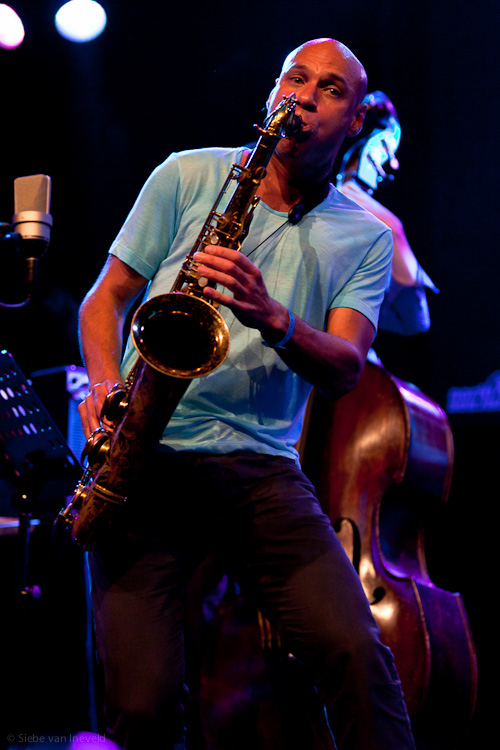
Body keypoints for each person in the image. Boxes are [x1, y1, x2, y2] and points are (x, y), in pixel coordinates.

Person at [78, 38, 416, 750]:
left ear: (354, 120)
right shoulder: (188, 174)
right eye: (295, 78)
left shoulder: (366, 235)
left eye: (329, 88)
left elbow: (348, 366)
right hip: (149, 458)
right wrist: (106, 385)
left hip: (261, 471)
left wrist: (275, 317)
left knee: (357, 657)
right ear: (272, 94)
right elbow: (104, 301)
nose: (305, 94)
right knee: (140, 707)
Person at [336, 90, 438, 345]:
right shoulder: (350, 188)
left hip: (351, 194)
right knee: (391, 228)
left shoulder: (365, 150)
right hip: (350, 194)